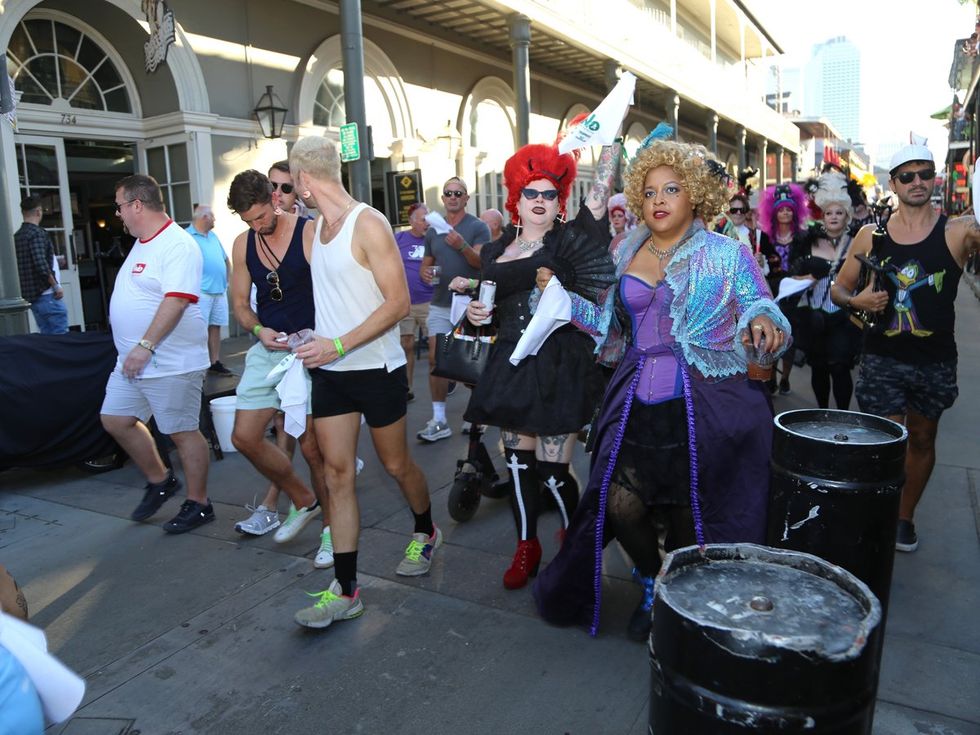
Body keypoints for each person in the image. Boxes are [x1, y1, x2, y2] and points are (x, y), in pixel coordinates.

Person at [533, 125, 789, 640]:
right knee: (620, 503)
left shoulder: (726, 252)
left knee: (694, 510)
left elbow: (760, 301)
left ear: (694, 194)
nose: (657, 200)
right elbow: (605, 322)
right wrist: (561, 301)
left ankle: (686, 594)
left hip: (706, 400)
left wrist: (765, 322)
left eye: (671, 189)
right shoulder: (626, 250)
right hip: (634, 396)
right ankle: (652, 577)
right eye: (649, 191)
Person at [288, 136, 440, 629]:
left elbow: (397, 304)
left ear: (306, 179)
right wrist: (316, 339)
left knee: (396, 466)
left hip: (377, 369)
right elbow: (335, 298)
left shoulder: (368, 223)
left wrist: (339, 343)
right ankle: (347, 589)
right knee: (336, 475)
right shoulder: (314, 231)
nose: (294, 192)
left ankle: (426, 530)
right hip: (331, 373)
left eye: (294, 183)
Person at [459, 131, 617, 591]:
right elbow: (486, 306)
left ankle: (576, 544)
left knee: (552, 470)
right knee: (518, 466)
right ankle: (527, 545)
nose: (541, 201)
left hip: (558, 365)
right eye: (532, 193)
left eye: (550, 193)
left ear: (559, 198)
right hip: (511, 363)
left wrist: (611, 139)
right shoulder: (494, 250)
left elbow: (601, 193)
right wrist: (475, 313)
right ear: (517, 197)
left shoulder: (571, 239)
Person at [831, 143, 980, 552]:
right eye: (908, 175)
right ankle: (877, 512)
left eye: (925, 173)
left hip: (935, 361)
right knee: (885, 440)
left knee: (922, 437)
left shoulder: (960, 231)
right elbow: (839, 288)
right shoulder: (870, 235)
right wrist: (856, 301)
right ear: (893, 183)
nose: (918, 182)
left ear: (935, 178)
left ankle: (903, 517)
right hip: (882, 357)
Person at [225, 170, 333, 560]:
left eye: (259, 217)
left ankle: (331, 534)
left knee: (313, 449)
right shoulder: (243, 244)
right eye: (248, 221)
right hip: (268, 349)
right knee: (244, 437)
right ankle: (304, 499)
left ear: (274, 198)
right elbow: (239, 302)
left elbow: (335, 290)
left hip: (308, 350)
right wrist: (257, 328)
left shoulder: (307, 232)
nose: (256, 225)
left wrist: (326, 342)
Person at [100, 174, 214, 534]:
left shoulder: (177, 244)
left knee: (182, 432)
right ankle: (160, 479)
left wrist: (145, 345)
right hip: (132, 361)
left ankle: (199, 504)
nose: (117, 214)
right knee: (115, 419)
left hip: (169, 361)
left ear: (136, 205)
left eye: (119, 206)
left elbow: (177, 299)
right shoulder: (142, 241)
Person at [417, 178, 491, 442]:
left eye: (457, 193)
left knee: (470, 363)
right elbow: (426, 265)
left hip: (469, 303)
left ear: (466, 198)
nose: (452, 197)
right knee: (436, 359)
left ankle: (478, 413)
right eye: (448, 193)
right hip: (440, 302)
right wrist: (425, 273)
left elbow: (482, 263)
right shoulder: (433, 230)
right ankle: (438, 419)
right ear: (444, 198)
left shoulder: (478, 227)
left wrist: (461, 245)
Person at [792, 171, 862, 409]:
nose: (833, 217)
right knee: (819, 367)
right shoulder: (807, 242)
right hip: (815, 317)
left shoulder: (856, 243)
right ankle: (823, 412)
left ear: (847, 216)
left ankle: (842, 414)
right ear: (822, 216)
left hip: (844, 317)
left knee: (840, 367)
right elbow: (794, 277)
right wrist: (808, 278)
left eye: (839, 213)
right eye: (828, 212)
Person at [759, 182, 810, 394]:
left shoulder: (803, 237)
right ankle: (770, 376)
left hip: (796, 294)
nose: (786, 213)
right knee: (770, 335)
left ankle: (786, 378)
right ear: (774, 213)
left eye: (789, 209)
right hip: (771, 292)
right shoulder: (765, 237)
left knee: (790, 336)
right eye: (781, 210)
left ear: (795, 212)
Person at [186, 204, 232, 374]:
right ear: (204, 217)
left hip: (219, 291)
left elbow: (226, 260)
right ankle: (200, 363)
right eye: (212, 216)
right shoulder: (187, 236)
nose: (214, 219)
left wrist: (226, 282)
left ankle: (214, 362)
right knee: (200, 329)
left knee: (215, 327)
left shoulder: (213, 236)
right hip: (201, 292)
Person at [14, 196, 68, 335]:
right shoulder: (37, 234)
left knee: (46, 337)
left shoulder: (17, 236)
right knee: (60, 336)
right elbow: (41, 264)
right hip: (46, 294)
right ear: (38, 212)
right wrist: (55, 285)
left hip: (32, 296)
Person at [395, 202, 433, 400]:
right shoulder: (399, 239)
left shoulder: (434, 240)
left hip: (429, 301)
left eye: (428, 218)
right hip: (406, 302)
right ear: (411, 222)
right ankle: (407, 388)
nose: (426, 223)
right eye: (422, 219)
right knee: (406, 344)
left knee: (436, 349)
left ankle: (443, 384)